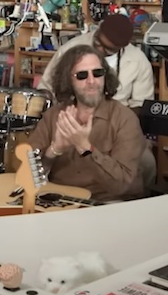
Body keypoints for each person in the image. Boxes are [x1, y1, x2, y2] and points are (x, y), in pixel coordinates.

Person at [39, 14, 157, 193]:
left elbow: (139, 105)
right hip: (69, 117)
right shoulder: (70, 48)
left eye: (108, 49)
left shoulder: (139, 61)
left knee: (147, 163)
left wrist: (113, 131)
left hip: (118, 127)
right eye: (98, 42)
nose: (100, 49)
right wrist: (55, 145)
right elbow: (46, 87)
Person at [27, 45, 146, 202]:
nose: (92, 81)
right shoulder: (53, 115)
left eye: (97, 73)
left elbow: (121, 185)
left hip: (105, 203)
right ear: (68, 80)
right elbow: (27, 176)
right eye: (82, 75)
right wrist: (54, 150)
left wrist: (85, 148)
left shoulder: (125, 119)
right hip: (59, 201)